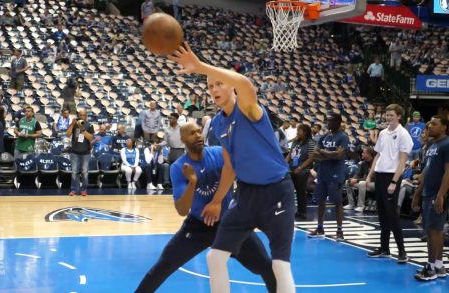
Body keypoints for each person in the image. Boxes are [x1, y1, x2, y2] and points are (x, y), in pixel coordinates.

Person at [168, 42, 296, 293]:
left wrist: (201, 67)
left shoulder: (248, 108)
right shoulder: (217, 123)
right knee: (214, 258)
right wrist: (216, 201)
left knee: (280, 266)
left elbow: (246, 84)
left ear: (231, 86)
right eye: (210, 86)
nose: (214, 89)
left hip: (277, 193)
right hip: (247, 195)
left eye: (219, 83)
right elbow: (229, 165)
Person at [135, 123, 277, 292]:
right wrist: (192, 183)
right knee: (161, 269)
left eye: (198, 131)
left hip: (230, 224)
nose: (198, 135)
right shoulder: (179, 167)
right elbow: (181, 210)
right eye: (192, 133)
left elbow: (241, 170)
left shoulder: (218, 153)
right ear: (182, 139)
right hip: (198, 228)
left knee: (266, 267)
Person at [366, 104, 413, 263]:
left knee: (392, 215)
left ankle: (402, 251)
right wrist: (369, 175)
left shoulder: (403, 134)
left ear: (399, 116)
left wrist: (394, 181)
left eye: (392, 115)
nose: (389, 118)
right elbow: (377, 155)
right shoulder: (383, 133)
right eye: (387, 115)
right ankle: (384, 248)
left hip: (391, 177)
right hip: (379, 176)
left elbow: (402, 160)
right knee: (382, 214)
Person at [411, 116, 449, 281]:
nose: (430, 127)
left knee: (434, 231)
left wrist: (441, 195)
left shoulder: (447, 144)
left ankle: (431, 267)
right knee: (433, 230)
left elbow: (448, 172)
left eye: (434, 124)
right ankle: (439, 265)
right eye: (429, 125)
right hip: (428, 192)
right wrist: (417, 194)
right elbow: (426, 172)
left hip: (438, 194)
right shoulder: (432, 146)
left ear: (444, 127)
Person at [308, 114, 349, 241]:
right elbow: (314, 154)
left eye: (330, 121)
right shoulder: (324, 136)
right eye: (327, 121)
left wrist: (324, 152)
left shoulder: (343, 137)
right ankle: (320, 228)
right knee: (320, 201)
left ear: (338, 122)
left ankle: (339, 231)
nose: (328, 123)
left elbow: (339, 155)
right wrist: (330, 154)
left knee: (337, 202)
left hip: (336, 173)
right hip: (323, 172)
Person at [286, 124, 315, 220]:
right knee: (292, 190)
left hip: (303, 171)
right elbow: (290, 155)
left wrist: (300, 168)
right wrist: (284, 164)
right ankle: (295, 210)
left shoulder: (310, 143)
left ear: (305, 132)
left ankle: (302, 211)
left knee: (301, 192)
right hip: (292, 169)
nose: (297, 132)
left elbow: (311, 158)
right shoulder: (295, 141)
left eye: (299, 130)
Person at [66, 109, 94, 197]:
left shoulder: (89, 125)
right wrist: (72, 124)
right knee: (74, 172)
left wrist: (83, 130)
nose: (82, 117)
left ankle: (84, 190)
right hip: (74, 152)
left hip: (85, 153)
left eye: (83, 115)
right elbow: (68, 134)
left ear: (86, 116)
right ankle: (74, 189)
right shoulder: (74, 125)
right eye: (80, 115)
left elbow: (90, 138)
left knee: (85, 172)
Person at [344, 146, 376, 212]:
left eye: (364, 153)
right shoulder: (364, 163)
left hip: (375, 184)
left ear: (369, 154)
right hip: (365, 182)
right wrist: (353, 178)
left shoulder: (376, 163)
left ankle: (361, 206)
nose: (362, 154)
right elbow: (358, 174)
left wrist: (357, 180)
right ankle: (351, 204)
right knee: (348, 182)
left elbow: (373, 178)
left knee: (362, 183)